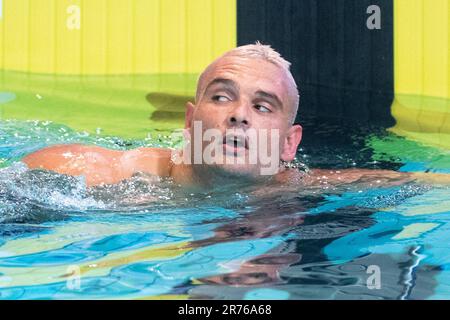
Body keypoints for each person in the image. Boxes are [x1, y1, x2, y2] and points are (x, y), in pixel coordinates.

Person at [22, 43, 450, 190]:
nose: (239, 116)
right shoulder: (94, 174)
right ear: (190, 122)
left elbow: (417, 184)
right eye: (222, 97)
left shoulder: (295, 190)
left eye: (263, 106)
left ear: (289, 143)